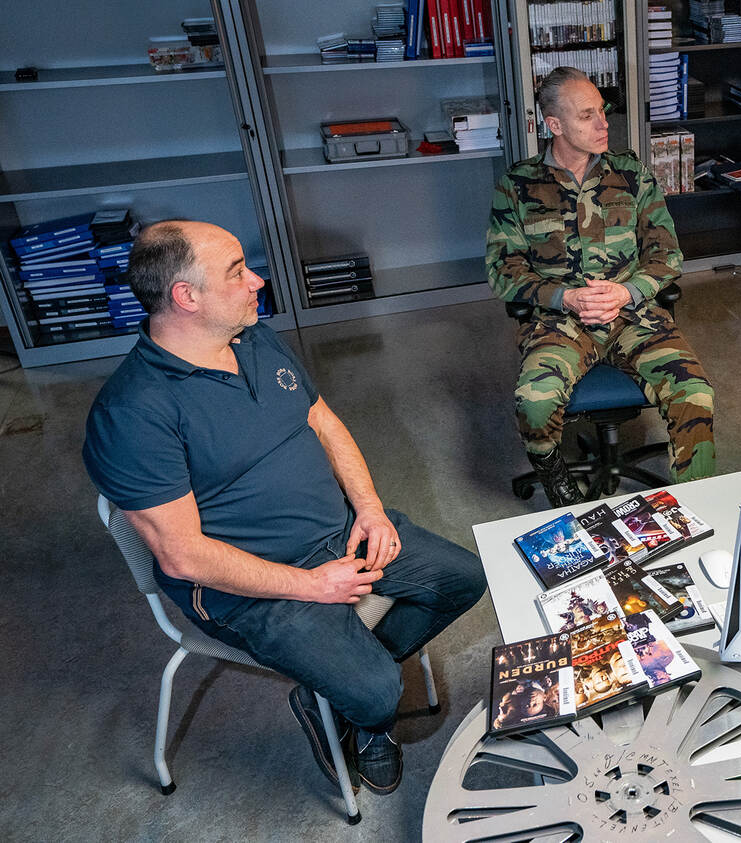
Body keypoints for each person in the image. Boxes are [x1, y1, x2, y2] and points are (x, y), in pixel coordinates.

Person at [83, 221, 486, 796]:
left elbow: (321, 420)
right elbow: (182, 557)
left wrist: (369, 509)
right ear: (186, 296)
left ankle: (336, 689)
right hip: (251, 586)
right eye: (236, 272)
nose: (257, 280)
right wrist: (313, 585)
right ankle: (367, 709)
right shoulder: (131, 414)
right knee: (380, 692)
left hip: (339, 532)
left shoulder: (256, 340)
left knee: (464, 579)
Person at [485, 66, 715, 506]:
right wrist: (565, 297)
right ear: (554, 125)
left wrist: (628, 292)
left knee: (695, 394)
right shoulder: (517, 185)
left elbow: (667, 255)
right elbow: (502, 269)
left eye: (602, 111)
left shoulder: (631, 174)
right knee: (534, 403)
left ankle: (696, 504)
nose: (603, 123)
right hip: (559, 321)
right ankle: (557, 482)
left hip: (634, 314)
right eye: (587, 115)